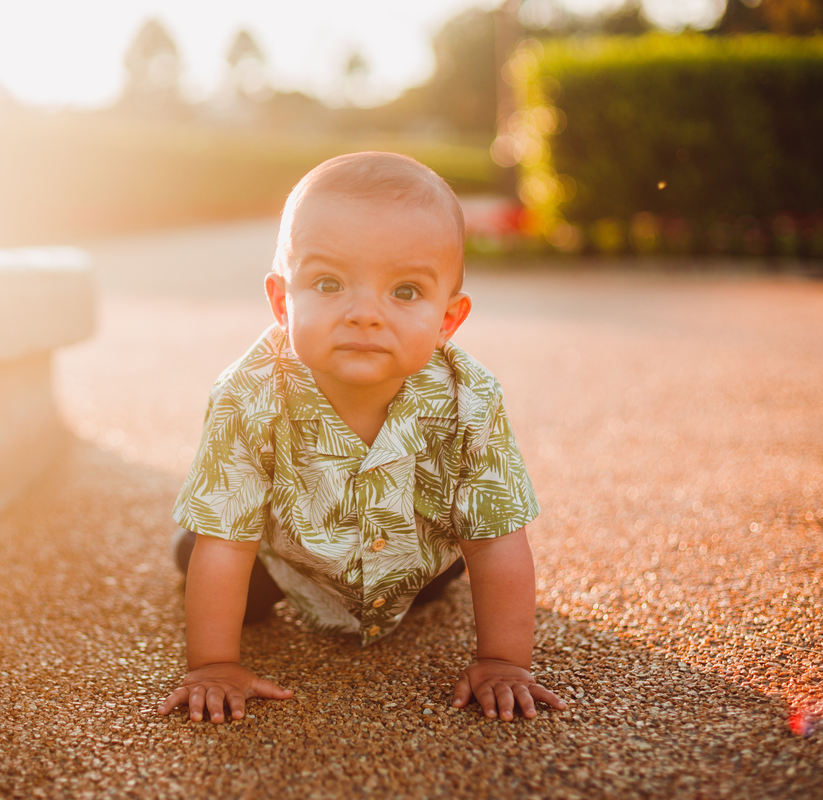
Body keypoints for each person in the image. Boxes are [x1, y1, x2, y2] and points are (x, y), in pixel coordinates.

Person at [158, 152, 566, 725]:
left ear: (449, 320)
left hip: (416, 556)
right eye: (329, 284)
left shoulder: (470, 398)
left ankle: (419, 580)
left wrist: (502, 660)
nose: (365, 314)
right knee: (208, 553)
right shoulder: (247, 394)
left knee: (460, 559)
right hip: (286, 559)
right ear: (282, 303)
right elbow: (226, 543)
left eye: (404, 292)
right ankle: (203, 547)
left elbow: (499, 538)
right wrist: (213, 664)